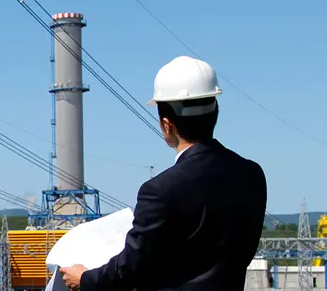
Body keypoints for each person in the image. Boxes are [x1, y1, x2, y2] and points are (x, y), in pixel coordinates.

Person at [60, 56, 268, 290]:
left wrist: (86, 279)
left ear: (166, 124)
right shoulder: (251, 175)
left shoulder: (160, 190)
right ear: (215, 111)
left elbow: (132, 266)